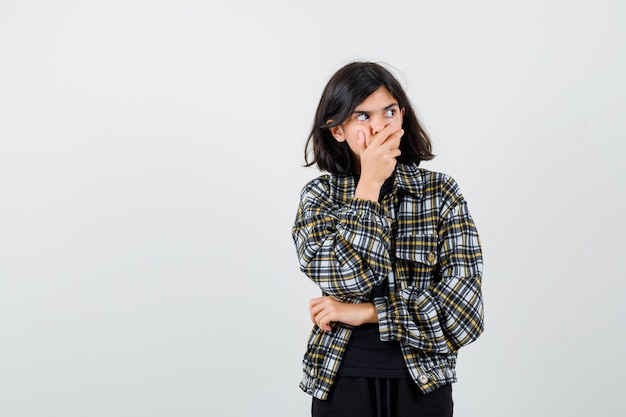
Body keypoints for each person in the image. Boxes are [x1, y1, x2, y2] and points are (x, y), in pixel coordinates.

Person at [291, 61, 484, 417]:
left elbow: (464, 315)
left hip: (424, 383)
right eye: (362, 116)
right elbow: (344, 278)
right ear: (337, 130)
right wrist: (369, 185)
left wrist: (367, 313)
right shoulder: (319, 197)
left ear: (402, 117)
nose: (379, 126)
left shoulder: (440, 193)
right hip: (341, 379)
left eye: (389, 112)